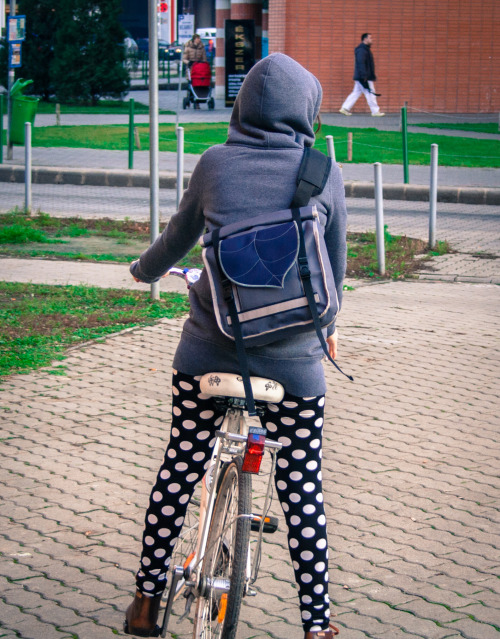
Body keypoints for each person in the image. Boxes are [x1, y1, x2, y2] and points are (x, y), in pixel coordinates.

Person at [124, 53, 347, 639]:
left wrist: (143, 271)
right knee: (302, 487)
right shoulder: (323, 169)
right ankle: (318, 626)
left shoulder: (215, 164)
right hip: (295, 367)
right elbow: (337, 269)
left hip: (210, 353)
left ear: (243, 107)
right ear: (309, 108)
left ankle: (147, 602)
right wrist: (322, 332)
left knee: (180, 465)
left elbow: (177, 237)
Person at [340, 33, 385, 117]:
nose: (372, 40)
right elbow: (361, 64)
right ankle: (375, 111)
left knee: (356, 92)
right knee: (370, 93)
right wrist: (364, 76)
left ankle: (345, 108)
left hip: (361, 76)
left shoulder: (364, 49)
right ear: (365, 39)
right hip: (364, 77)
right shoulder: (362, 50)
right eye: (370, 38)